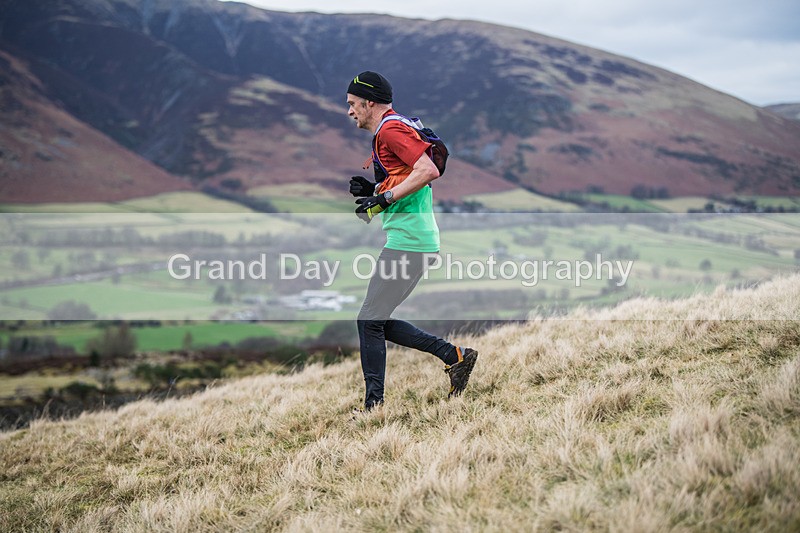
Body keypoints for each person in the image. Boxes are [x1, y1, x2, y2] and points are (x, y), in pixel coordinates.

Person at [345, 70, 478, 411]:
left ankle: (374, 406)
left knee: (369, 320)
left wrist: (384, 200)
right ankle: (454, 355)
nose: (349, 111)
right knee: (375, 319)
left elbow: (427, 171)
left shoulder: (390, 129)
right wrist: (375, 189)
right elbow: (410, 175)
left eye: (352, 104)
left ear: (368, 102)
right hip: (413, 239)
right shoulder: (395, 125)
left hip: (410, 241)